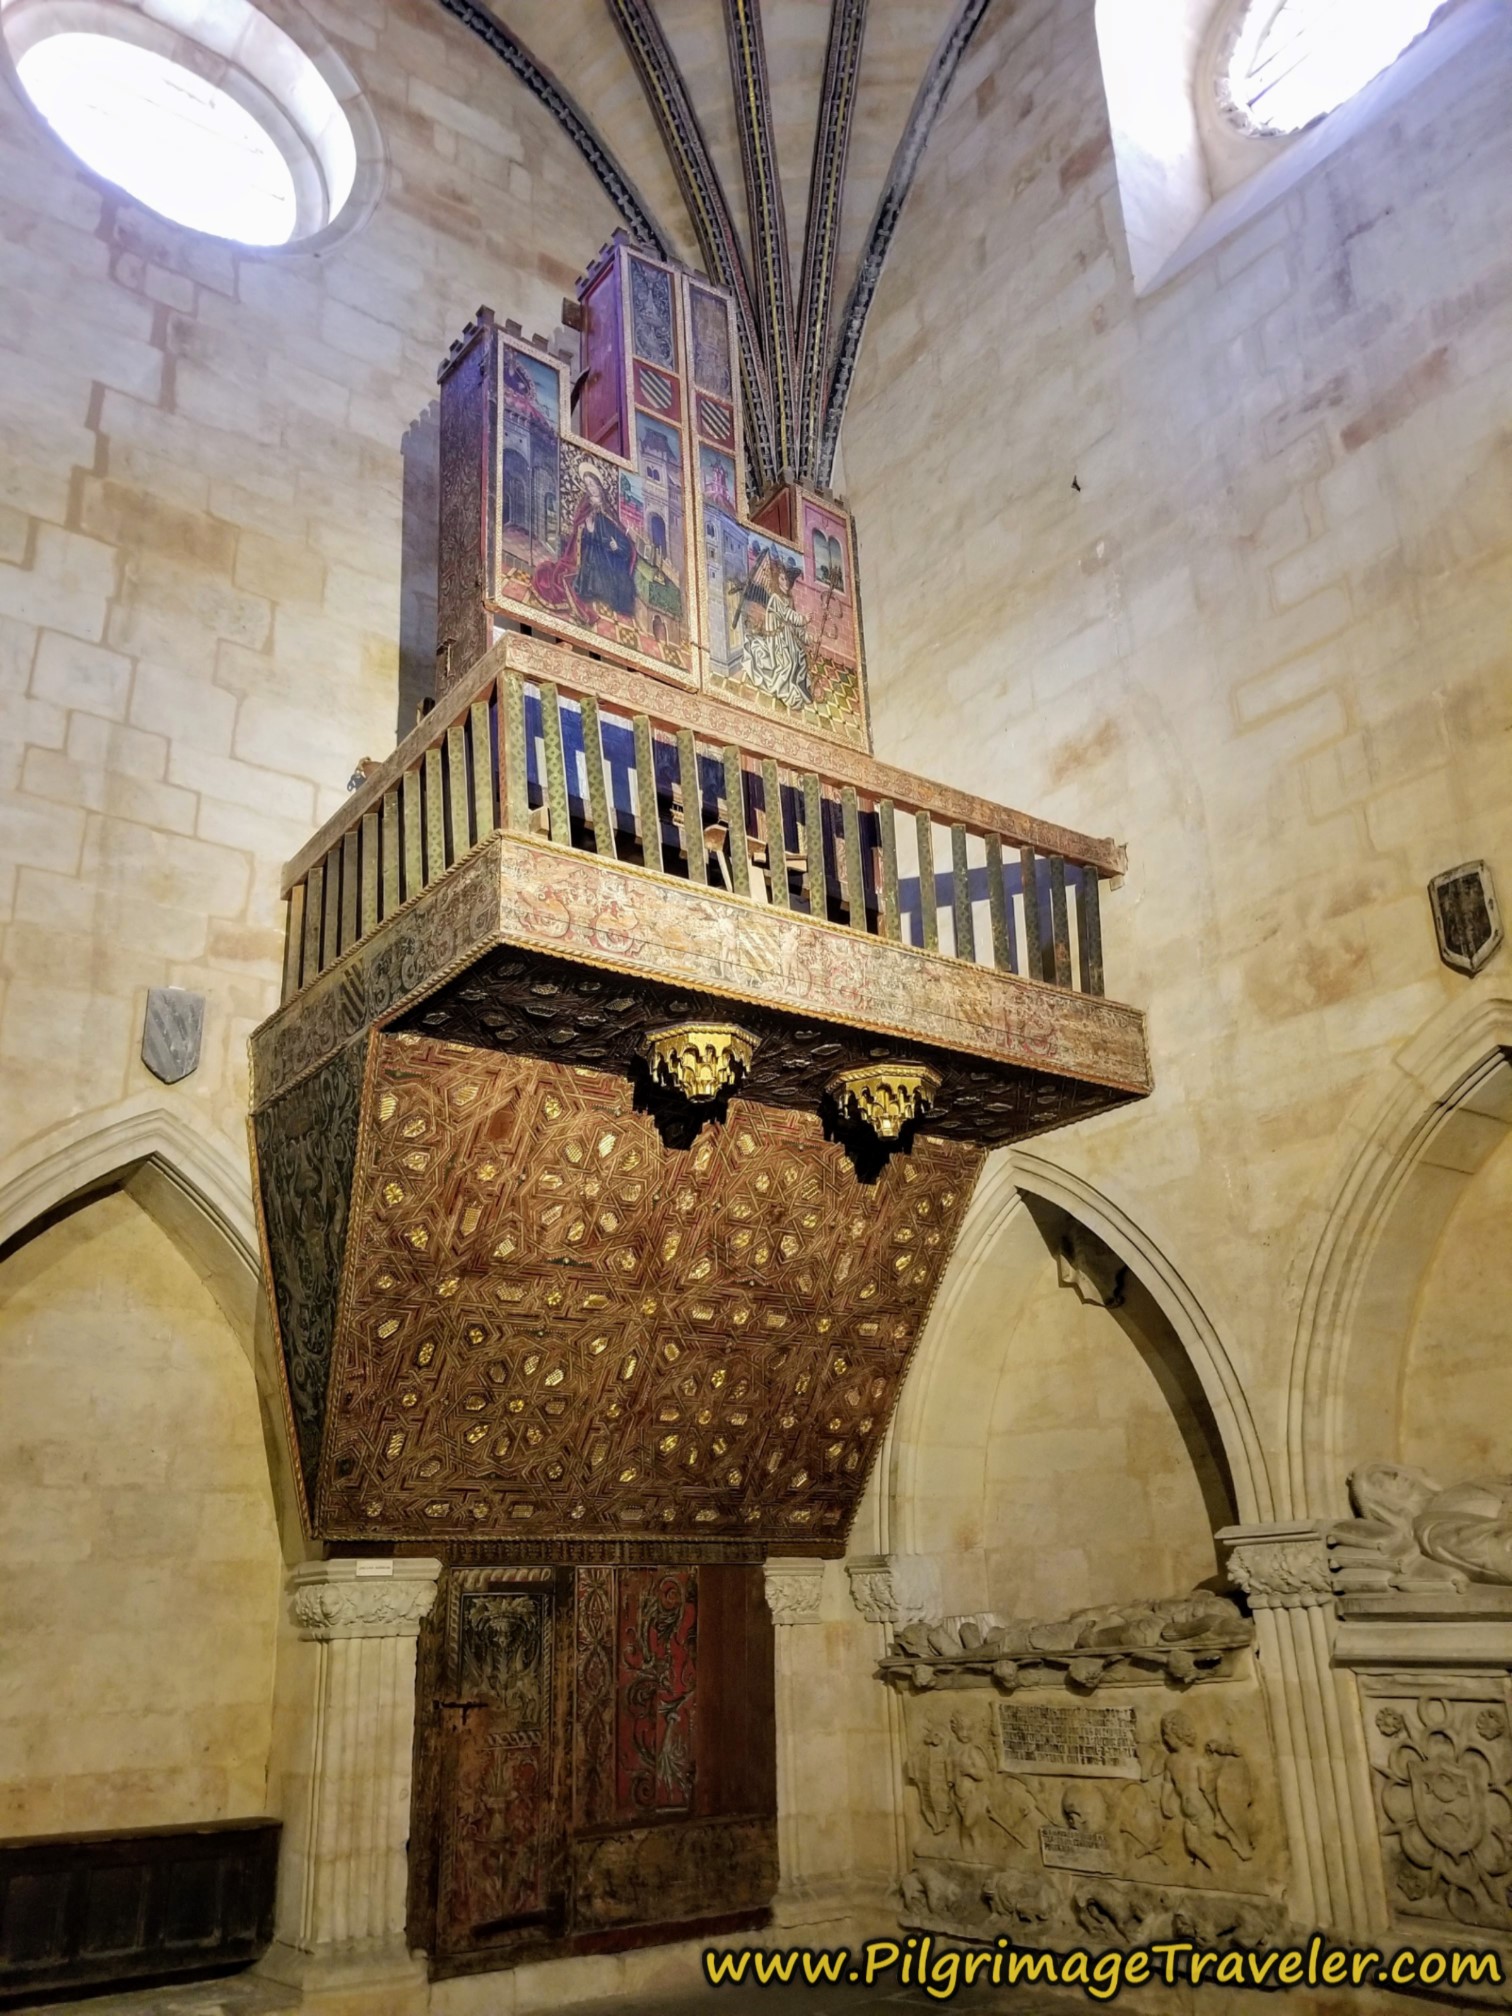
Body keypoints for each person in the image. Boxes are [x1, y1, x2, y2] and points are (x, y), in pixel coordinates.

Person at [534, 465, 637, 623]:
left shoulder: (607, 505)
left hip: (606, 549)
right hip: (588, 548)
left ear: (598, 484)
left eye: (592, 484)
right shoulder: (585, 503)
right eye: (588, 485)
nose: (591, 488)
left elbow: (615, 527)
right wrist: (589, 529)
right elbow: (579, 526)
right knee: (582, 572)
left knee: (619, 576)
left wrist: (617, 545)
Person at [743, 560, 811, 707]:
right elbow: (788, 615)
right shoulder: (775, 599)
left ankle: (800, 687)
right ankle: (785, 690)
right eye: (782, 578)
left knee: (800, 657)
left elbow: (793, 623)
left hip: (788, 638)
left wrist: (807, 638)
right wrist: (803, 619)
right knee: (788, 663)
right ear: (777, 581)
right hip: (777, 640)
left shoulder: (789, 599)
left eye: (787, 579)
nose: (785, 582)